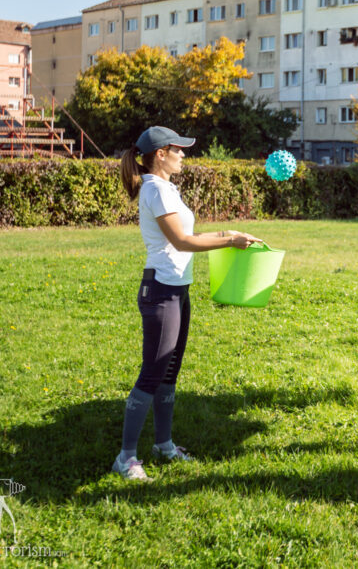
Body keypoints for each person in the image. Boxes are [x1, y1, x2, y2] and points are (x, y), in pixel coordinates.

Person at [114, 125, 261, 480]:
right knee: (152, 372)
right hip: (161, 290)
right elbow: (182, 241)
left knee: (169, 373)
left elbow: (189, 236)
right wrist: (230, 239)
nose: (184, 155)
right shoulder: (157, 190)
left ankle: (163, 444)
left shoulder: (165, 189)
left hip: (176, 288)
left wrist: (231, 234)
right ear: (160, 154)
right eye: (178, 149)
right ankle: (125, 458)